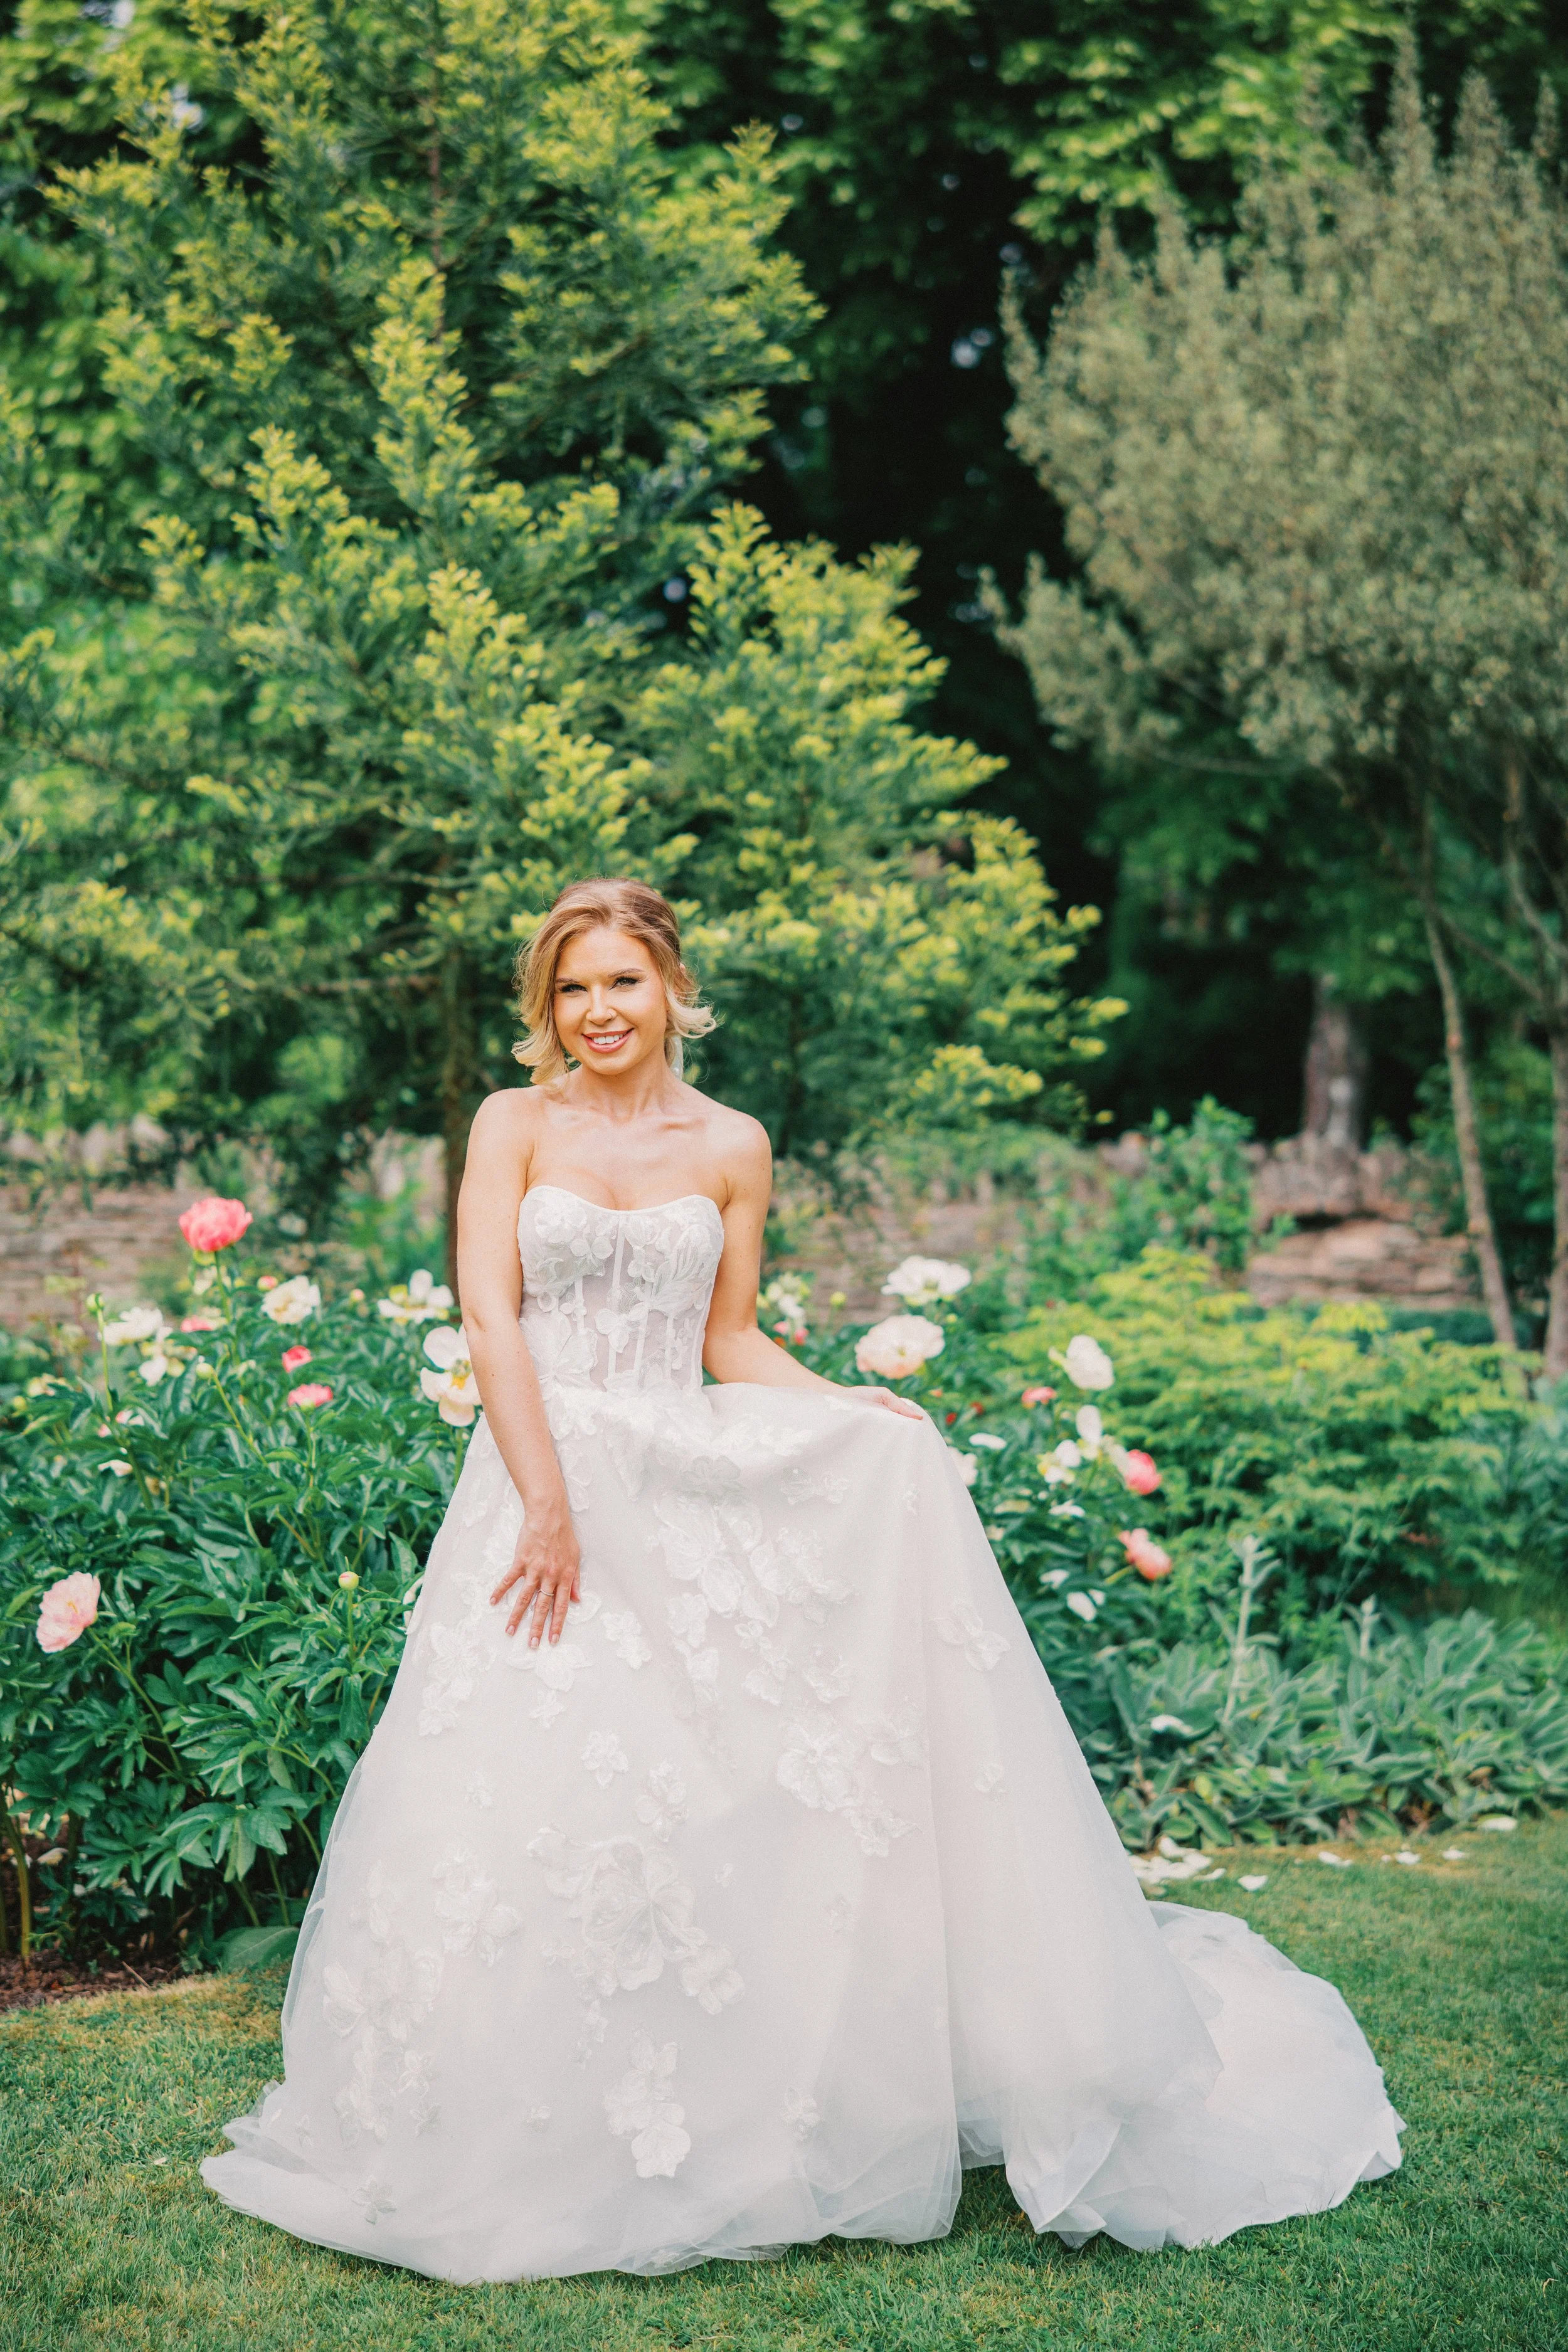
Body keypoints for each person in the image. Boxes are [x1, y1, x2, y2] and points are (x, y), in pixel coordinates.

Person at [202, 876, 1402, 2279]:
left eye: (622, 983)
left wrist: (852, 1410)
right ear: (548, 1006)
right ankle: (497, 2107)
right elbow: (488, 1309)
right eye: (571, 988)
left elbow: (729, 1341)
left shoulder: (732, 1144)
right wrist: (544, 1502)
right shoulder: (510, 1125)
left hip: (679, 1497)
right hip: (540, 1487)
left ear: (670, 990)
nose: (597, 1011)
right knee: (528, 1788)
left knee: (710, 1796)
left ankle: (738, 2096)